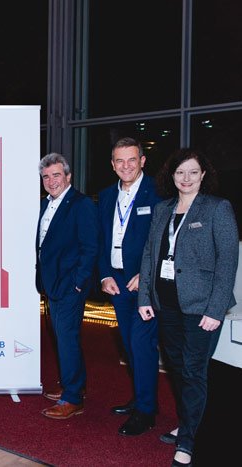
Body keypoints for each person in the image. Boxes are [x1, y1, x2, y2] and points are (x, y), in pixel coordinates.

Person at [138, 148, 238, 467]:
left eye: (193, 172)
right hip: (166, 305)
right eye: (180, 172)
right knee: (179, 369)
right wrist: (144, 297)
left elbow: (227, 262)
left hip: (201, 308)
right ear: (172, 175)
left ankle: (189, 441)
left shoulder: (216, 209)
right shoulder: (162, 209)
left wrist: (216, 308)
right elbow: (150, 256)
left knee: (194, 372)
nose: (186, 178)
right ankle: (190, 422)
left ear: (203, 175)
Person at [97, 137, 162, 436]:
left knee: (141, 344)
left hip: (144, 283)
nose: (126, 166)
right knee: (128, 343)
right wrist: (105, 274)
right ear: (112, 164)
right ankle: (140, 397)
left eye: (131, 160)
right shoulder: (107, 195)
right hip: (117, 283)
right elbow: (101, 240)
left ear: (143, 161)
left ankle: (146, 411)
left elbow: (162, 242)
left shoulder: (158, 193)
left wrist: (146, 275)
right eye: (119, 161)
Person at [35, 153, 98, 420]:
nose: (51, 181)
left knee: (68, 339)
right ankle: (75, 383)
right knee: (62, 338)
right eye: (46, 177)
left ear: (68, 176)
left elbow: (90, 247)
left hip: (69, 285)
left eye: (56, 175)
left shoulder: (81, 204)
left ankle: (72, 398)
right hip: (50, 284)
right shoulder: (44, 204)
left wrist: (77, 284)